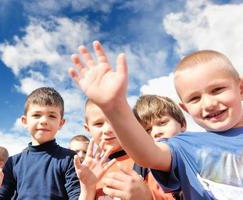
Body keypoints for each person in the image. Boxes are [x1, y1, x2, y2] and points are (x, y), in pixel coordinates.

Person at [68, 41, 243, 199]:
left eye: (217, 89)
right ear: (186, 108)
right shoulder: (183, 146)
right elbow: (147, 152)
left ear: (240, 88)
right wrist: (114, 107)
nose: (209, 103)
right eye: (195, 98)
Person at [0, 87, 82, 200]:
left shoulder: (70, 159)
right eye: (37, 115)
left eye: (52, 116)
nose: (44, 121)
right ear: (24, 121)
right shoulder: (12, 163)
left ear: (61, 123)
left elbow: (76, 196)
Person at [75, 99, 153, 200]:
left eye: (114, 121)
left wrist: (145, 197)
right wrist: (87, 188)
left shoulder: (146, 160)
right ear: (88, 129)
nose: (107, 129)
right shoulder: (89, 169)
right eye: (98, 123)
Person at [133, 94, 186, 199]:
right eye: (147, 130)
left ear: (182, 124)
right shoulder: (141, 166)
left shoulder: (200, 153)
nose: (155, 132)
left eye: (162, 123)